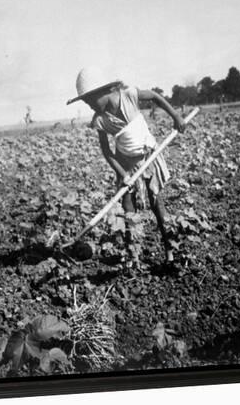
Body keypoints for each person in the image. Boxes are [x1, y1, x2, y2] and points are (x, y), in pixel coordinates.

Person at [67, 67, 186, 265]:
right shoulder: (100, 120)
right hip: (125, 164)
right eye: (86, 102)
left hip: (148, 155)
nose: (89, 105)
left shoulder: (129, 96)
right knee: (128, 207)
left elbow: (155, 96)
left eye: (90, 100)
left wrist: (176, 116)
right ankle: (133, 256)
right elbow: (107, 152)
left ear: (103, 92)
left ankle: (170, 250)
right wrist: (123, 174)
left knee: (157, 203)